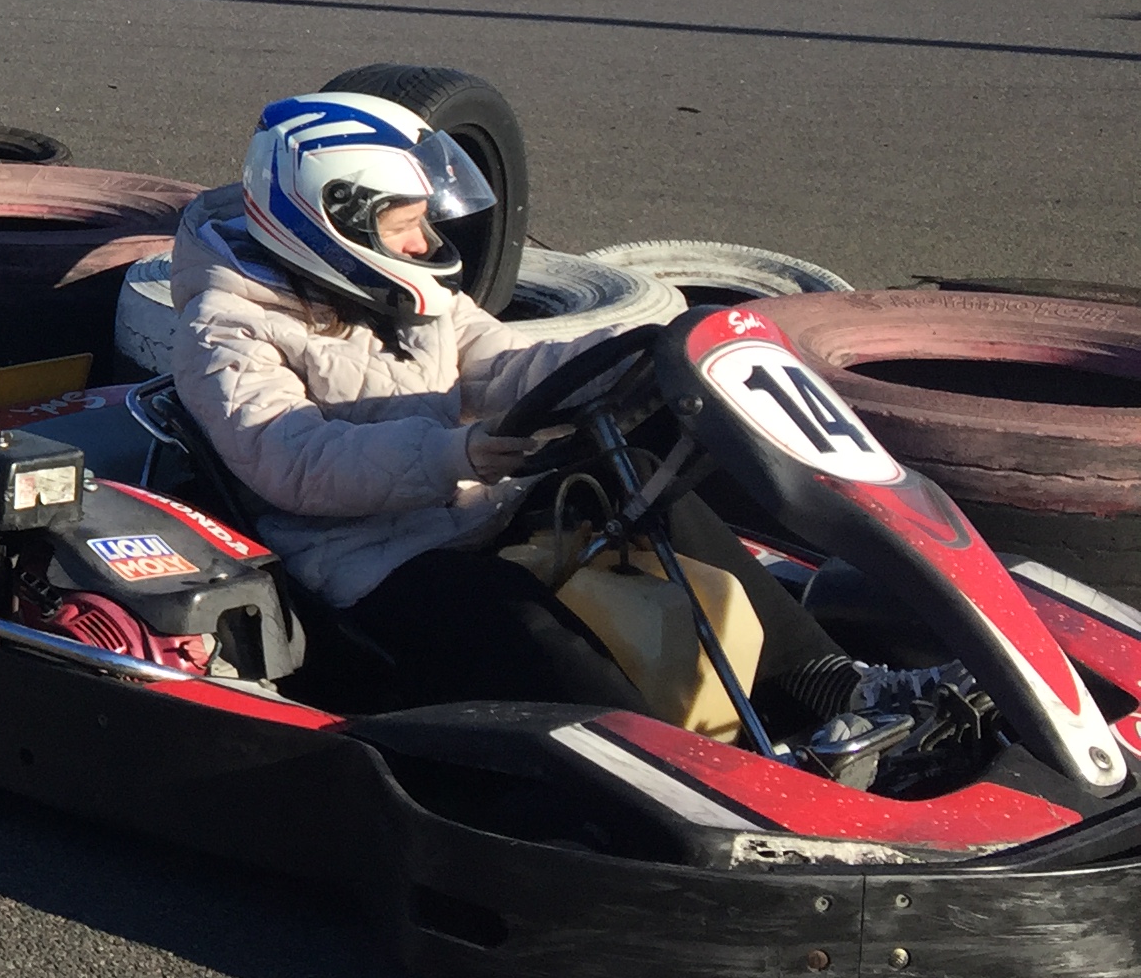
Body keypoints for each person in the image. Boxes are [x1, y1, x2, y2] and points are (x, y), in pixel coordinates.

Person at [172, 91, 885, 724]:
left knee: (637, 475)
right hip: (367, 560)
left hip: (475, 505)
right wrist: (455, 453)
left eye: (422, 220)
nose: (423, 243)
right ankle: (666, 762)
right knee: (502, 609)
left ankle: (834, 687)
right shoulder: (227, 328)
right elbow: (295, 461)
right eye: (402, 225)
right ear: (330, 220)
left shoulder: (409, 297)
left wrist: (641, 347)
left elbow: (506, 364)